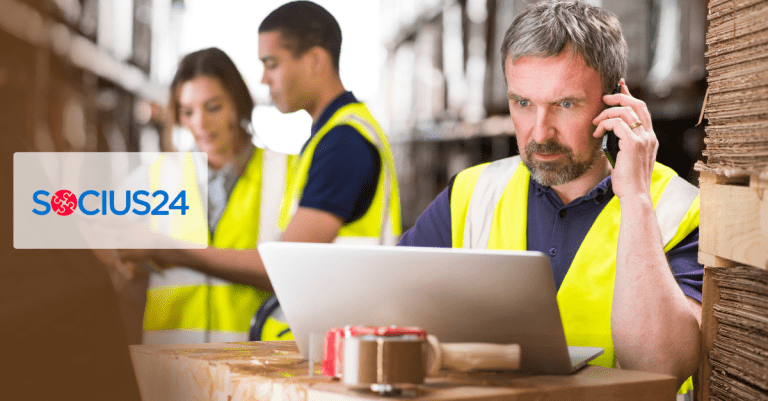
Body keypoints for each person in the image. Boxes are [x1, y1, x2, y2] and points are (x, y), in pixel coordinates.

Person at [398, 0, 701, 395]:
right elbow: (391, 320)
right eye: (522, 103)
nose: (540, 132)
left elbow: (658, 368)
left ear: (615, 102)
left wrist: (636, 197)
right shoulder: (471, 194)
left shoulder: (677, 210)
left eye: (565, 104)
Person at [251, 1, 402, 340]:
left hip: (338, 347)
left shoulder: (344, 142)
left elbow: (284, 265)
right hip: (332, 343)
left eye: (272, 63)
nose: (264, 78)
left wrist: (171, 252)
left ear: (316, 60)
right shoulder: (330, 135)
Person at [119, 47, 287, 344]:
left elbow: (290, 271)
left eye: (213, 107)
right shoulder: (156, 177)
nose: (200, 124)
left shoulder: (286, 172)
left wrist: (163, 249)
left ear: (237, 104)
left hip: (257, 369)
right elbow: (102, 235)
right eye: (187, 112)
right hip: (172, 374)